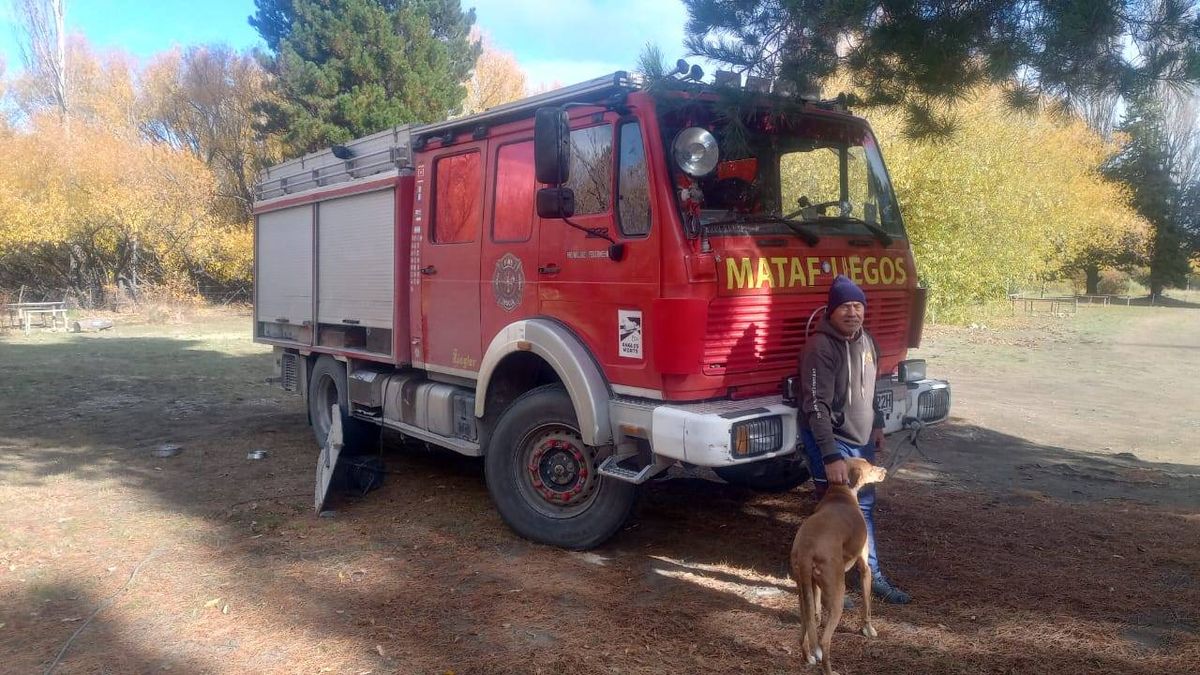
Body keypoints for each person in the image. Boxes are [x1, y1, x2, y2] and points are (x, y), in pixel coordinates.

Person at [797, 274, 911, 604]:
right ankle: (828, 583)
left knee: (865, 508)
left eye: (858, 306)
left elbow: (872, 390)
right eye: (845, 306)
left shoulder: (866, 342)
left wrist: (876, 425)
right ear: (831, 311)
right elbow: (815, 406)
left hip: (859, 440)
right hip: (831, 440)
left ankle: (870, 575)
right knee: (832, 513)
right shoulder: (819, 348)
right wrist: (831, 455)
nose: (852, 313)